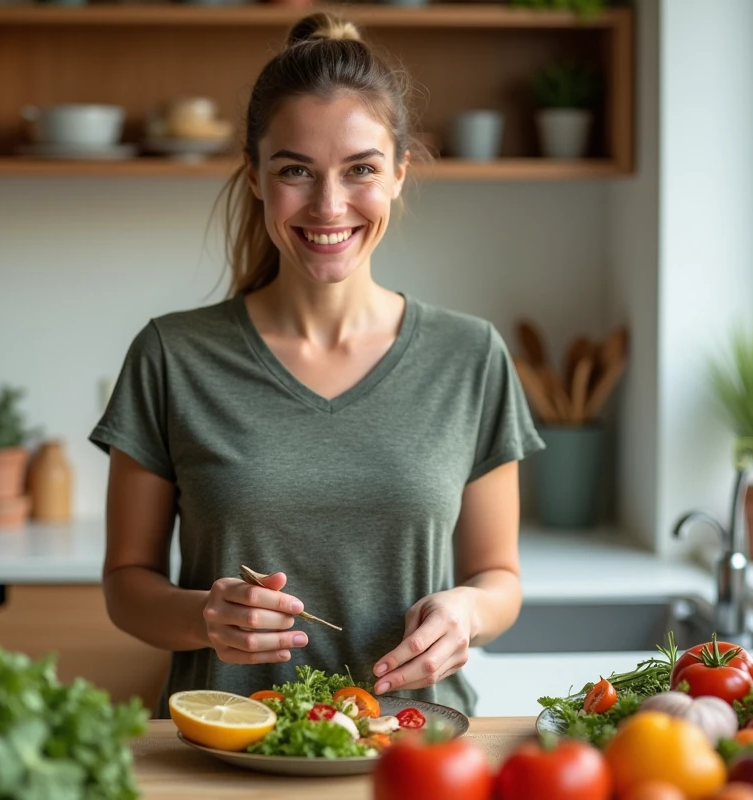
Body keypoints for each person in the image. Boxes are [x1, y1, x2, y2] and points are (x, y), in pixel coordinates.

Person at [90, 11, 543, 718]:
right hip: (226, 752)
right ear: (255, 177)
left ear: (399, 173)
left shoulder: (471, 356)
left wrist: (468, 613)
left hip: (413, 750)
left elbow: (501, 577)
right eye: (296, 170)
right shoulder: (172, 356)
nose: (329, 206)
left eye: (360, 170)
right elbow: (126, 583)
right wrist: (205, 619)